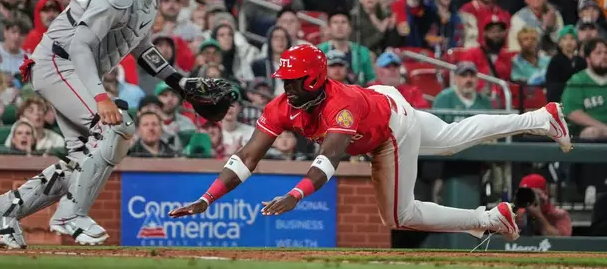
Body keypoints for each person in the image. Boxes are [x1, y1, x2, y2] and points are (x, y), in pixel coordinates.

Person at [0, 0, 236, 249]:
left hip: (75, 69)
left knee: (81, 159)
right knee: (116, 127)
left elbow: (141, 48)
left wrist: (180, 82)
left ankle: (5, 208)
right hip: (58, 63)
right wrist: (102, 98)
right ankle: (69, 215)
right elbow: (80, 46)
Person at [168, 44, 572, 242]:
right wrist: (208, 198)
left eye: (291, 80)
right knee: (451, 138)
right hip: (380, 101)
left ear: (311, 79)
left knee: (399, 216)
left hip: (388, 128)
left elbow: (329, 161)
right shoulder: (282, 105)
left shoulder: (337, 106)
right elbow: (246, 156)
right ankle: (540, 118)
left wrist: (295, 195)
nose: (285, 86)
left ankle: (488, 219)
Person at [561, 38, 607, 139]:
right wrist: (603, 128)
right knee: (592, 133)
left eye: (606, 52)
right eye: (598, 53)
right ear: (588, 59)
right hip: (589, 130)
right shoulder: (577, 80)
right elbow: (572, 113)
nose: (604, 56)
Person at [317, 11, 375, 86]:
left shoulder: (362, 52)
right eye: (335, 22)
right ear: (329, 28)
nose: (339, 26)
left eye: (343, 22)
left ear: (350, 28)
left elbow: (371, 80)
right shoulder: (319, 51)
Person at [545, 25, 586, 103]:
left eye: (572, 38)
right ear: (559, 43)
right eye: (564, 39)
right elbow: (552, 86)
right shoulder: (555, 61)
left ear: (577, 42)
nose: (569, 42)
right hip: (560, 100)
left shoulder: (581, 61)